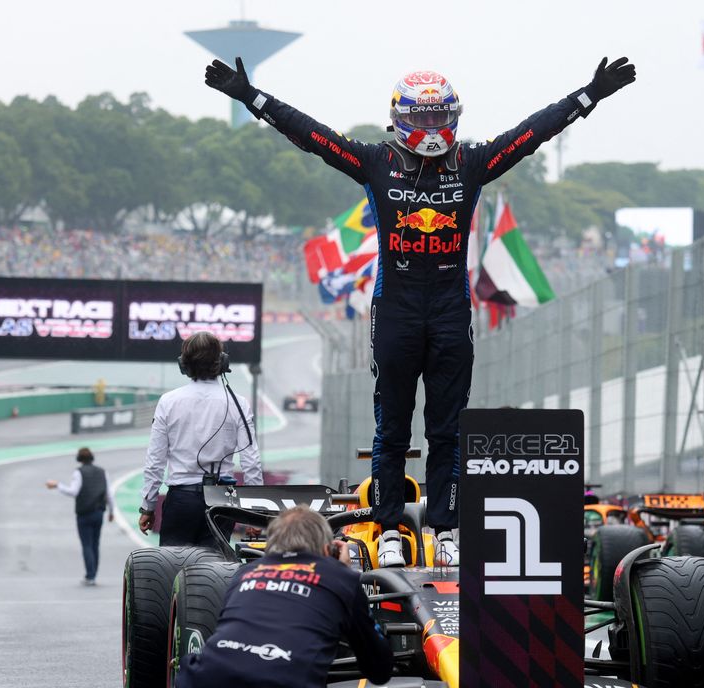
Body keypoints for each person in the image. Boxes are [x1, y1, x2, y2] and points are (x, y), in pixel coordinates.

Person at [204, 54, 637, 567]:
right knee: (391, 430)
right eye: (422, 119)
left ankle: (446, 530)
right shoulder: (372, 160)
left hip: (452, 311)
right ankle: (389, 528)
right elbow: (310, 135)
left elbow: (531, 134)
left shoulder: (473, 163)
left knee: (448, 431)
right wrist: (251, 97)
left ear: (454, 118)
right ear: (399, 119)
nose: (432, 129)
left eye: (440, 118)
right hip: (397, 311)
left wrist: (589, 94)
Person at [174, 505, 393, 688]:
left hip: (202, 677)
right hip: (282, 679)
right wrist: (343, 571)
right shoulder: (341, 576)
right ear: (328, 550)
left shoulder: (245, 572)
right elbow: (379, 670)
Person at [139, 331, 263, 547]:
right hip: (222, 501)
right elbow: (251, 460)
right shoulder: (238, 403)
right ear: (222, 362)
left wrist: (148, 507)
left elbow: (155, 461)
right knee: (214, 575)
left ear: (183, 364)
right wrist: (255, 513)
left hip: (181, 500)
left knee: (172, 572)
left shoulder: (168, 402)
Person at [46, 447, 115, 585]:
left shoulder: (79, 473)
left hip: (84, 513)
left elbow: (73, 491)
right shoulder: (103, 472)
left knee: (87, 545)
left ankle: (90, 576)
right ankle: (93, 573)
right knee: (95, 544)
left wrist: (57, 485)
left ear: (79, 459)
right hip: (99, 513)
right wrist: (111, 511)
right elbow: (108, 494)